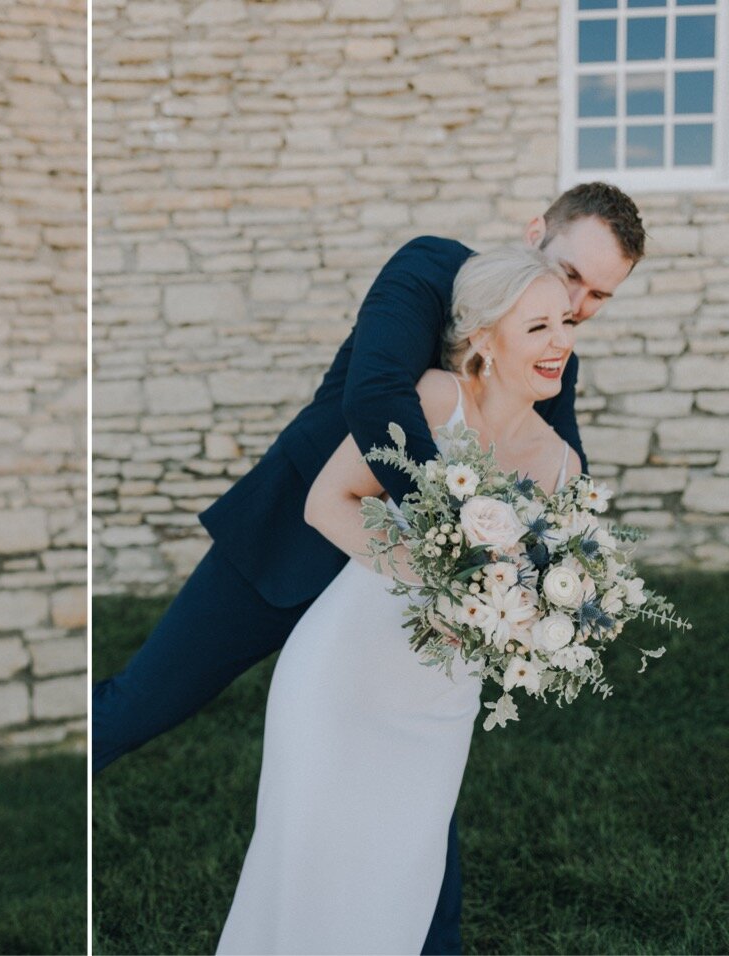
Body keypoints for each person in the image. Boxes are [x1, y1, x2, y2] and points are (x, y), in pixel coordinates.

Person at [92, 182, 643, 954]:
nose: (579, 305)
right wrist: (458, 539)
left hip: (412, 619)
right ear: (534, 232)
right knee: (142, 701)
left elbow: (561, 472)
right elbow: (376, 393)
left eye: (598, 296)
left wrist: (547, 580)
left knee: (418, 794)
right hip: (299, 535)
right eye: (573, 273)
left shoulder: (551, 348)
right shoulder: (429, 269)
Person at [219, 246, 583, 952]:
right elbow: (327, 503)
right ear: (484, 340)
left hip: (438, 706)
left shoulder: (561, 465)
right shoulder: (435, 400)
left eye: (566, 322)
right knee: (302, 874)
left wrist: (523, 622)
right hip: (342, 675)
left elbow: (548, 595)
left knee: (395, 889)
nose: (562, 343)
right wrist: (443, 581)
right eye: (538, 327)